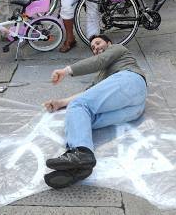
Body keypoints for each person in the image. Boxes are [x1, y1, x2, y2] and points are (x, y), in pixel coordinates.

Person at [42, 34, 147, 189]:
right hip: (134, 108)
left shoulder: (118, 49)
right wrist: (61, 103)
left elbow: (99, 61)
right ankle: (78, 167)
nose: (96, 47)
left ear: (109, 43)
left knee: (78, 106)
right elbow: (87, 95)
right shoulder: (101, 76)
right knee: (82, 119)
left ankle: (80, 153)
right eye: (93, 47)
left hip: (130, 81)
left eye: (98, 43)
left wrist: (65, 71)